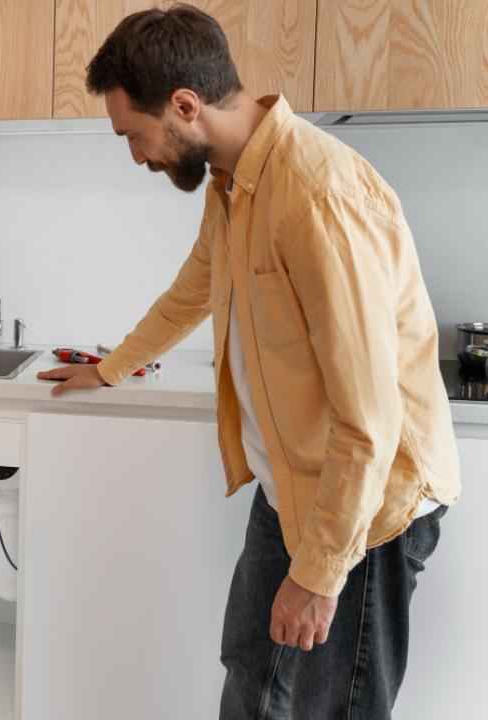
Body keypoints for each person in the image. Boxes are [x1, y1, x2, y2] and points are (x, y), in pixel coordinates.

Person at [37, 5, 460, 718]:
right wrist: (111, 367)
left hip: (366, 506)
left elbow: (368, 421)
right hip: (289, 483)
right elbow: (192, 291)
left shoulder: (318, 197)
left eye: (133, 135)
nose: (136, 156)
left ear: (184, 106)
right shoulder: (232, 184)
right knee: (252, 673)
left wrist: (319, 575)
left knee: (334, 705)